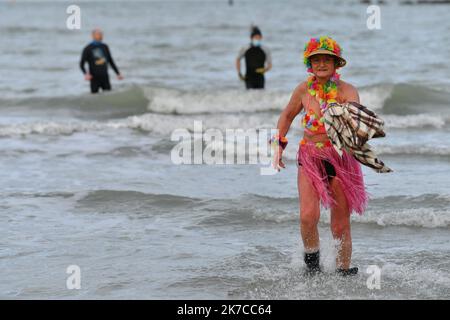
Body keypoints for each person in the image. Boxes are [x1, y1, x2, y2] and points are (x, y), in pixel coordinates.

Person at [272, 36, 366, 276]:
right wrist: (278, 145)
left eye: (327, 60)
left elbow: (355, 119)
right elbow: (286, 116)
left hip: (341, 160)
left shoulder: (348, 91)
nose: (321, 64)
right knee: (307, 216)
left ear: (336, 64)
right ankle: (312, 266)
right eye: (316, 60)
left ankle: (344, 270)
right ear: (309, 64)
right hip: (310, 158)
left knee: (340, 223)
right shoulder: (303, 89)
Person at [80, 28, 123, 94]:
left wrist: (118, 73)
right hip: (94, 78)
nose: (101, 36)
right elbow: (81, 64)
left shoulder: (105, 47)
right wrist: (86, 74)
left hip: (105, 77)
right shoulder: (88, 48)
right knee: (94, 97)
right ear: (93, 36)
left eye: (101, 34)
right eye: (98, 34)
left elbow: (110, 61)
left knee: (108, 95)